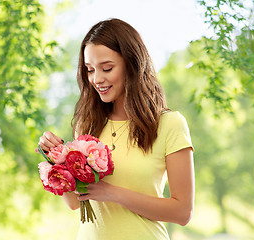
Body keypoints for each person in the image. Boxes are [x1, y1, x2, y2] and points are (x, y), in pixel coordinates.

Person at [38, 18, 194, 240]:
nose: (97, 79)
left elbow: (182, 212)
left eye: (107, 68)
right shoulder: (88, 123)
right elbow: (76, 202)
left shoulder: (170, 124)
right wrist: (57, 159)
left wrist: (112, 193)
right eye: (90, 70)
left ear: (132, 64)